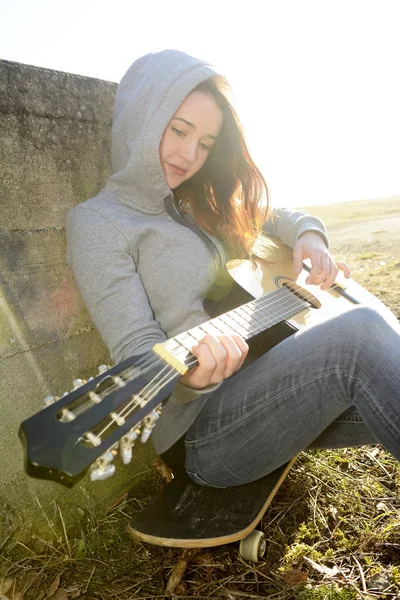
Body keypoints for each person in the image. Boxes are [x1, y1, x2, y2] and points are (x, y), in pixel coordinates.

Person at [66, 49, 400, 488]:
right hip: (204, 434)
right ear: (142, 119)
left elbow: (276, 214)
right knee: (359, 337)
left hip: (271, 382)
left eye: (206, 143)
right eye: (179, 131)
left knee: (378, 348)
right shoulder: (99, 222)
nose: (190, 154)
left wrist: (310, 239)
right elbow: (136, 354)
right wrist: (191, 378)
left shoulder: (195, 197)